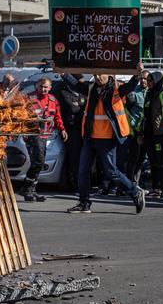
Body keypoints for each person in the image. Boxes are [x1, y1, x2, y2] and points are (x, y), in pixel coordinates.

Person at [64, 63, 146, 214]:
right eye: (95, 75)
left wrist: (138, 74)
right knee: (82, 171)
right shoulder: (91, 88)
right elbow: (76, 85)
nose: (97, 77)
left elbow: (131, 86)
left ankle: (135, 192)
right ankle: (84, 203)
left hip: (107, 139)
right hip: (90, 138)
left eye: (100, 74)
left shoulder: (116, 88)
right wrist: (63, 73)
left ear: (108, 74)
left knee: (112, 173)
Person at [23, 77, 68, 202]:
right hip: (32, 135)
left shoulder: (53, 100)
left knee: (38, 163)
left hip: (46, 135)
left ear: (50, 87)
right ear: (36, 86)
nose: (43, 89)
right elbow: (20, 117)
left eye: (46, 87)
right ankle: (27, 188)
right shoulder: (29, 99)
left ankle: (31, 190)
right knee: (39, 161)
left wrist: (62, 129)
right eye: (41, 86)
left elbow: (57, 116)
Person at [136, 72, 163, 197]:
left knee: (161, 162)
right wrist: (141, 132)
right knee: (152, 162)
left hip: (161, 134)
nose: (148, 83)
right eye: (148, 80)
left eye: (151, 81)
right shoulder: (149, 94)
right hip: (149, 134)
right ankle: (155, 188)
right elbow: (144, 116)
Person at [54, 74, 87, 192]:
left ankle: (83, 183)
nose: (82, 85)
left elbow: (84, 105)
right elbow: (73, 108)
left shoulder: (82, 91)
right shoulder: (62, 90)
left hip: (82, 129)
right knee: (74, 157)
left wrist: (79, 105)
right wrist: (80, 106)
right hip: (71, 129)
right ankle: (76, 185)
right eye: (80, 82)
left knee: (84, 158)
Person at [125, 70, 149, 188]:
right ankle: (130, 182)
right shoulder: (134, 92)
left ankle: (140, 182)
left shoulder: (152, 92)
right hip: (135, 130)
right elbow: (128, 108)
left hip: (148, 131)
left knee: (144, 159)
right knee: (133, 158)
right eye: (142, 78)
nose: (143, 81)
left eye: (146, 79)